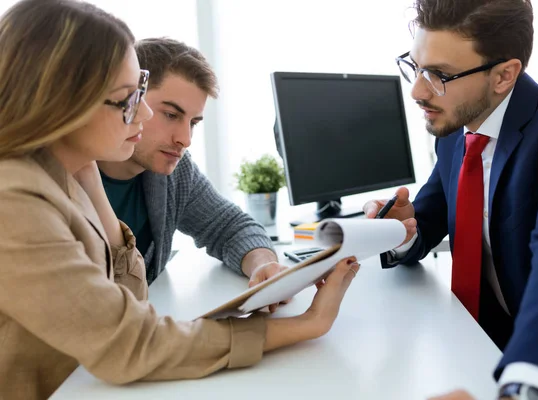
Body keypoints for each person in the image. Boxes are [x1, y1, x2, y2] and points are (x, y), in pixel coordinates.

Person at [0, 1, 359, 399]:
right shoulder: (14, 198)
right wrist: (308, 324)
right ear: (65, 98)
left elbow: (131, 299)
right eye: (128, 100)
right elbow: (128, 343)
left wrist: (85, 168)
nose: (142, 117)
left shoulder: (76, 171)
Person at [363, 0, 538, 399]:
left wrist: (530, 387)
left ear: (504, 75)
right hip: (478, 350)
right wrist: (401, 229)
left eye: (439, 75)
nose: (418, 91)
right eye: (416, 66)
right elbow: (429, 218)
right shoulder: (457, 133)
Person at [97, 37, 284, 287]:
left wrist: (263, 265)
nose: (185, 140)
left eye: (193, 123)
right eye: (171, 115)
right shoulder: (69, 177)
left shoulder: (175, 172)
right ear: (132, 100)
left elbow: (229, 226)